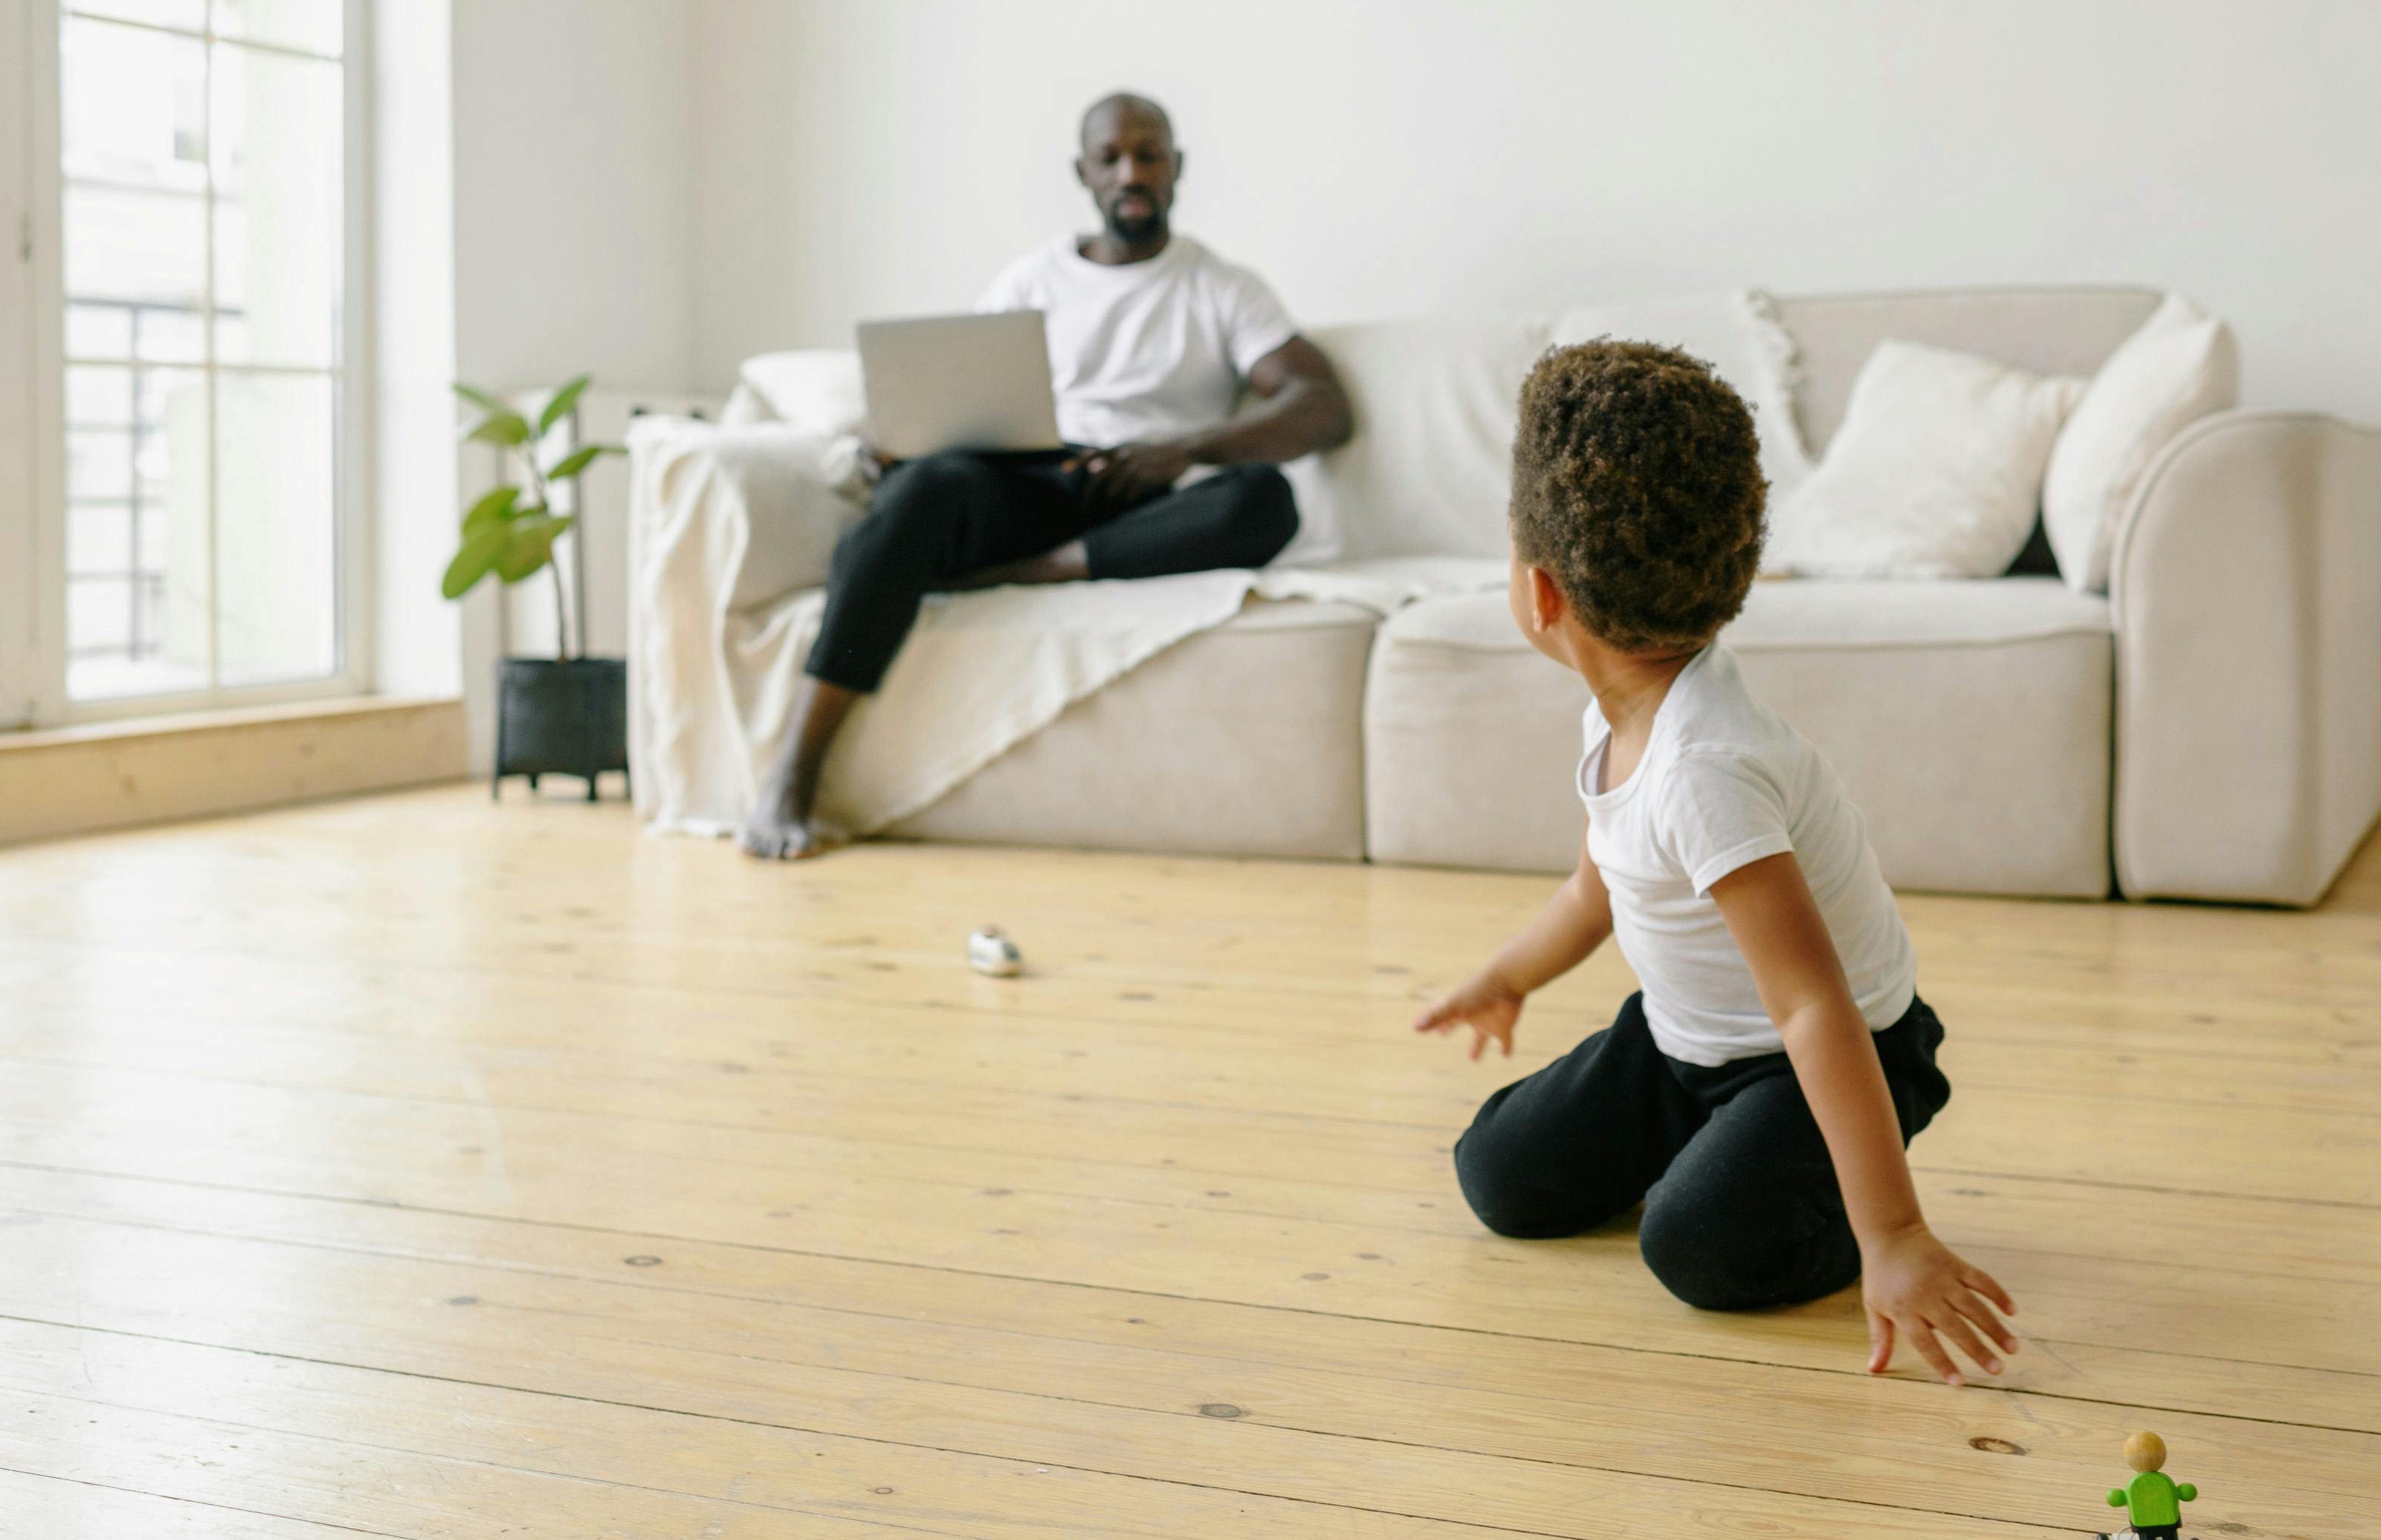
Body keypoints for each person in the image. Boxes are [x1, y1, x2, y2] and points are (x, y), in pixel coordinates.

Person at [1412, 340, 2019, 1379]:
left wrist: (1894, 1237)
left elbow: (1812, 1007)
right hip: (1684, 1041)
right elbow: (1593, 887)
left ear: (1544, 593)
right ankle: (1726, 1158)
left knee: (1699, 1248)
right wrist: (1507, 977)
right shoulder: (1617, 716)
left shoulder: (1708, 766)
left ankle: (1832, 1184)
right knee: (1499, 1173)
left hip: (1830, 1056)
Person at [738, 91, 1352, 859]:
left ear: (1176, 168)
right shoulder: (1033, 280)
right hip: (1030, 479)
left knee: (1266, 499)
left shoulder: (1221, 286)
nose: (1131, 171)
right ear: (1084, 172)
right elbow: (958, 393)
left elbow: (1321, 406)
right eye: (1111, 157)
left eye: (1148, 154)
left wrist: (1185, 449)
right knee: (916, 493)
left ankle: (1033, 573)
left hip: (1143, 500)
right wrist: (894, 439)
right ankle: (792, 775)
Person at [2106, 1430, 2200, 1536]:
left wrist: (2116, 1497)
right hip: (2168, 1522)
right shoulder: (2165, 1481)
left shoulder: (2134, 1485)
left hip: (2145, 1524)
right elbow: (2185, 1492)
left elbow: (2116, 1498)